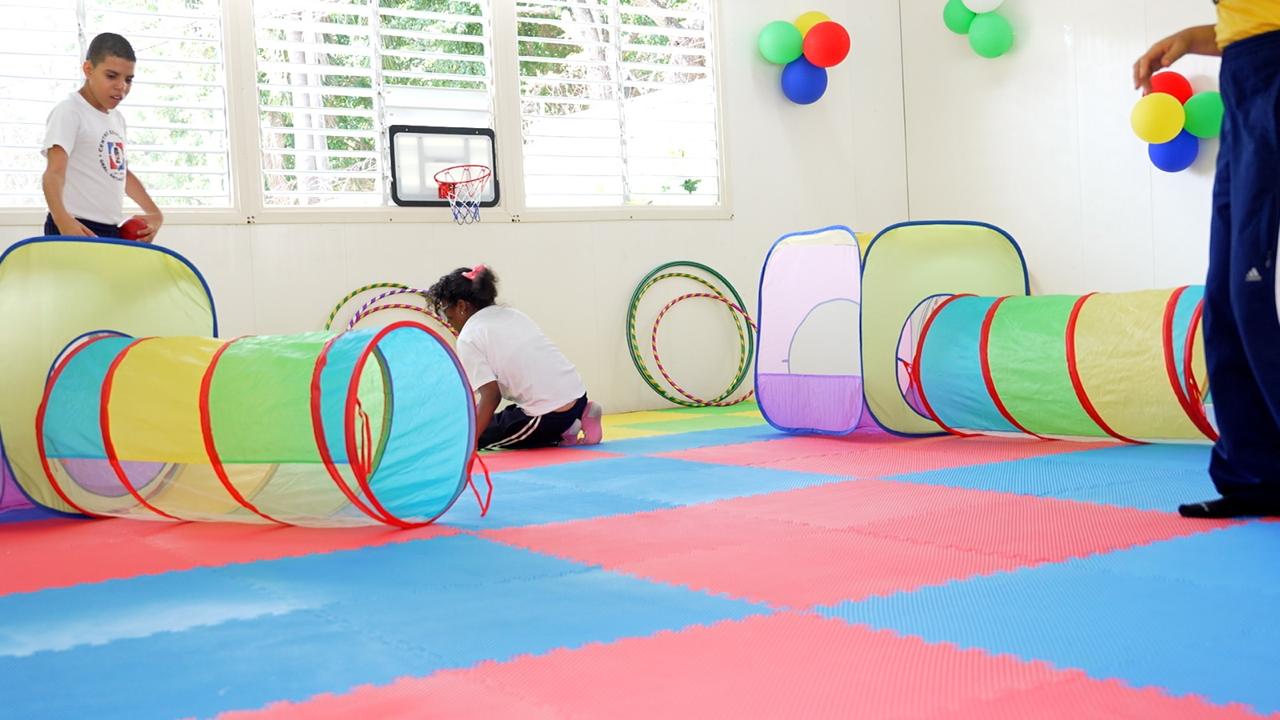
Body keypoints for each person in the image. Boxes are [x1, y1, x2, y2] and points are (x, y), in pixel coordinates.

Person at [1133, 2, 1280, 518]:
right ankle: (1255, 476)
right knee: (1223, 297)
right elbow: (1252, 21)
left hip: (1272, 72)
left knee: (1254, 291)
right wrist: (1192, 38)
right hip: (1243, 75)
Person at [427, 264, 603, 450]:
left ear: (462, 306)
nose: (450, 324)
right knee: (507, 416)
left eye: (450, 317)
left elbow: (491, 395)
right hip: (577, 395)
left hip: (549, 413)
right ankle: (576, 420)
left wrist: (469, 443)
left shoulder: (468, 337)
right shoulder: (513, 314)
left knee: (483, 436)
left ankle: (561, 429)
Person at [41, 32, 162, 242]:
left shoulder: (117, 119)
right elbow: (54, 173)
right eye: (111, 76)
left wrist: (155, 213)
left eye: (129, 79)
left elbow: (120, 172)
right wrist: (63, 221)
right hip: (75, 224)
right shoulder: (70, 111)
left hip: (110, 229)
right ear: (88, 69)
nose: (121, 86)